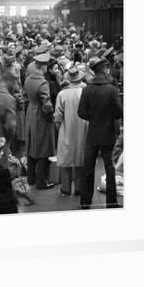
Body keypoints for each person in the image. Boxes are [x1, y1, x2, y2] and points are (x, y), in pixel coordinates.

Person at [77, 56, 123, 209]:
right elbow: (118, 113)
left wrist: (94, 117)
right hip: (108, 134)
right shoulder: (112, 90)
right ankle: (111, 201)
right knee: (110, 168)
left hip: (93, 133)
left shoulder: (87, 89)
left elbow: (81, 113)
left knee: (88, 167)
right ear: (104, 70)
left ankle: (85, 201)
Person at [54, 66, 88, 195]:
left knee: (66, 160)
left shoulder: (62, 94)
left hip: (66, 128)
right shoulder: (84, 91)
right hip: (83, 128)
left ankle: (66, 188)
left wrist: (58, 127)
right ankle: (79, 188)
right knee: (80, 158)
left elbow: (58, 115)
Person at [23, 53, 56, 189]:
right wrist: (51, 117)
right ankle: (41, 181)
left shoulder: (28, 79)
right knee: (43, 147)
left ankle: (31, 178)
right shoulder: (43, 82)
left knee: (31, 146)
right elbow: (47, 104)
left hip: (30, 112)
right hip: (40, 116)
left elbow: (25, 95)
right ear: (43, 67)